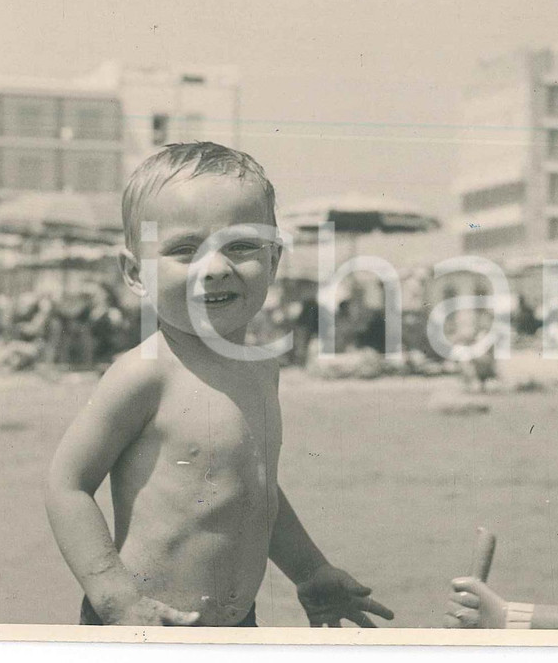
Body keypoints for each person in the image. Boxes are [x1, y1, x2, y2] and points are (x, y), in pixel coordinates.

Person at [45, 142, 394, 628]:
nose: (215, 267)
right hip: (145, 625)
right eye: (185, 250)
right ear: (134, 272)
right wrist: (115, 598)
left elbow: (252, 490)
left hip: (236, 625)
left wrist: (310, 571)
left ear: (273, 260)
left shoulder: (260, 367)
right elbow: (67, 485)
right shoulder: (146, 373)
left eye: (242, 246)